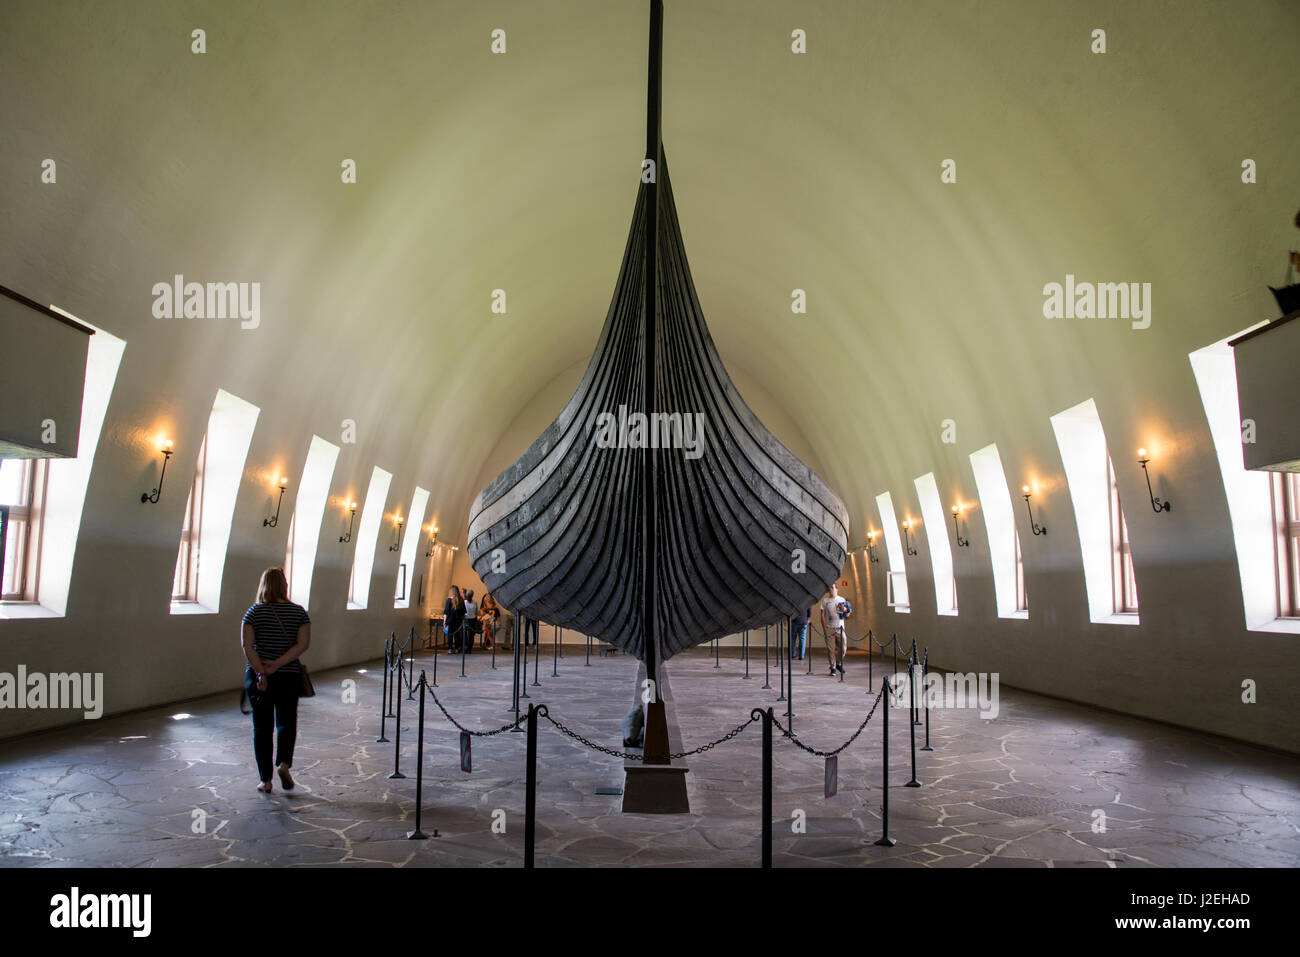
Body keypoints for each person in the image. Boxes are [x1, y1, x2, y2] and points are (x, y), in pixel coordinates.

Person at [240, 567, 311, 793]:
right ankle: (283, 764)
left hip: (260, 677)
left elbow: (247, 646)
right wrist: (280, 663)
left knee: (261, 728)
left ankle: (265, 780)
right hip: (288, 675)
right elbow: (302, 645)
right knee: (286, 723)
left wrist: (261, 671)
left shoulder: (253, 613)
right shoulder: (299, 613)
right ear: (284, 585)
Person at [820, 583, 848, 677]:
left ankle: (839, 664)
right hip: (829, 628)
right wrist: (825, 628)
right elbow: (822, 615)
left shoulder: (842, 599)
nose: (830, 589)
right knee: (830, 650)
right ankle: (833, 668)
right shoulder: (825, 601)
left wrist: (845, 610)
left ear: (837, 589)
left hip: (840, 628)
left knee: (843, 648)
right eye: (829, 588)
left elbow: (847, 614)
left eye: (832, 587)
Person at [443, 586, 465, 653]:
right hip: (458, 621)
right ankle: (456, 649)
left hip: (450, 620)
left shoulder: (449, 600)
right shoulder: (461, 600)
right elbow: (464, 611)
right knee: (457, 635)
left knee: (450, 635)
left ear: (451, 591)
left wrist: (444, 621)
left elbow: (446, 612)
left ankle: (450, 649)